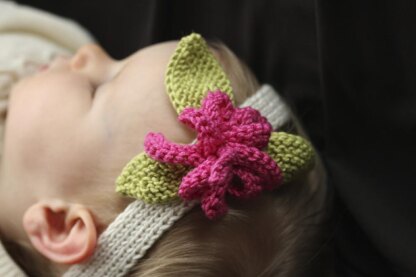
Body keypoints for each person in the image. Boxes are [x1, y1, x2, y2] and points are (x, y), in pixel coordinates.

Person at [0, 2, 329, 276]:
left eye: (95, 88)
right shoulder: (36, 62)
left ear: (60, 226)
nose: (88, 53)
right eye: (122, 57)